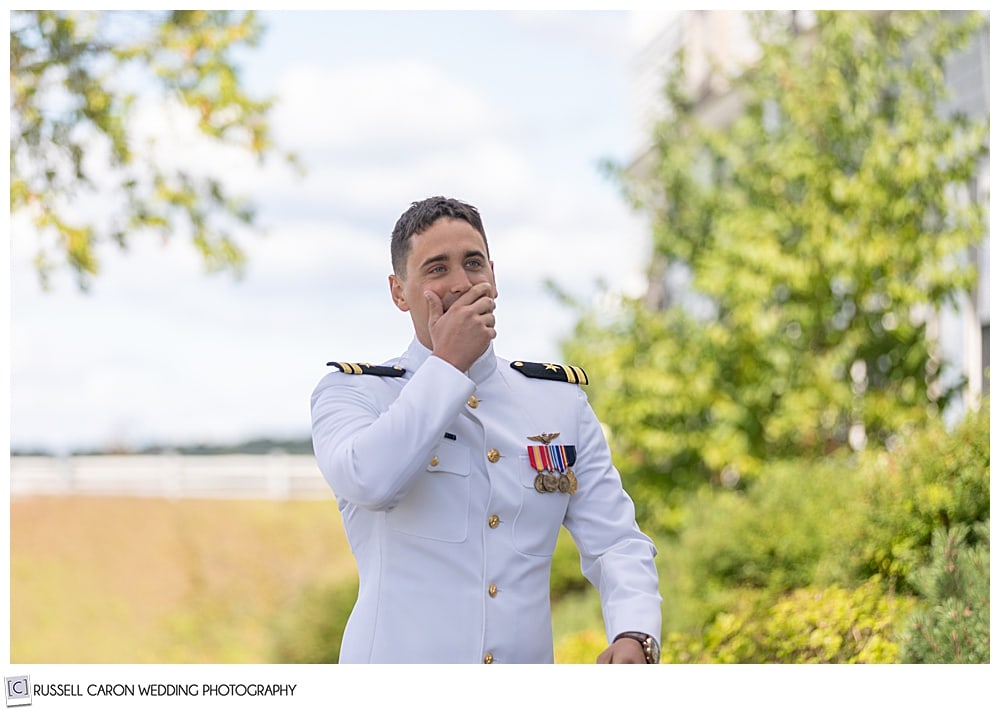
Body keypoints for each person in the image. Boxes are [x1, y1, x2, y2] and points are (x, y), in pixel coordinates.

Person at [310, 196, 661, 664]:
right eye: (437, 269)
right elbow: (370, 481)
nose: (461, 283)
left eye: (473, 263)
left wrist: (636, 634)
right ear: (399, 292)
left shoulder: (558, 402)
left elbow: (616, 540)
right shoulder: (353, 393)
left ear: (493, 275)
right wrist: (448, 362)